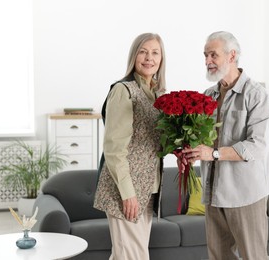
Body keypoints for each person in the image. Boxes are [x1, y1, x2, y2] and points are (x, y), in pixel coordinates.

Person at [182, 31, 269, 259]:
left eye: (213, 55)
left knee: (252, 255)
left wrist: (213, 153)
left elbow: (257, 146)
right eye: (205, 55)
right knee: (219, 256)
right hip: (214, 192)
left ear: (232, 55)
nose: (207, 61)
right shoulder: (208, 95)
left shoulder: (256, 95)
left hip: (246, 194)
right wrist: (193, 151)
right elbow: (204, 139)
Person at [94, 33, 166, 260]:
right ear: (134, 55)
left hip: (147, 190)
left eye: (155, 52)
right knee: (133, 256)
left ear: (162, 59)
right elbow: (114, 149)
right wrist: (128, 194)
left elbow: (152, 143)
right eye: (143, 51)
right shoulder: (123, 91)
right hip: (126, 191)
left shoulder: (157, 94)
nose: (149, 58)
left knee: (127, 254)